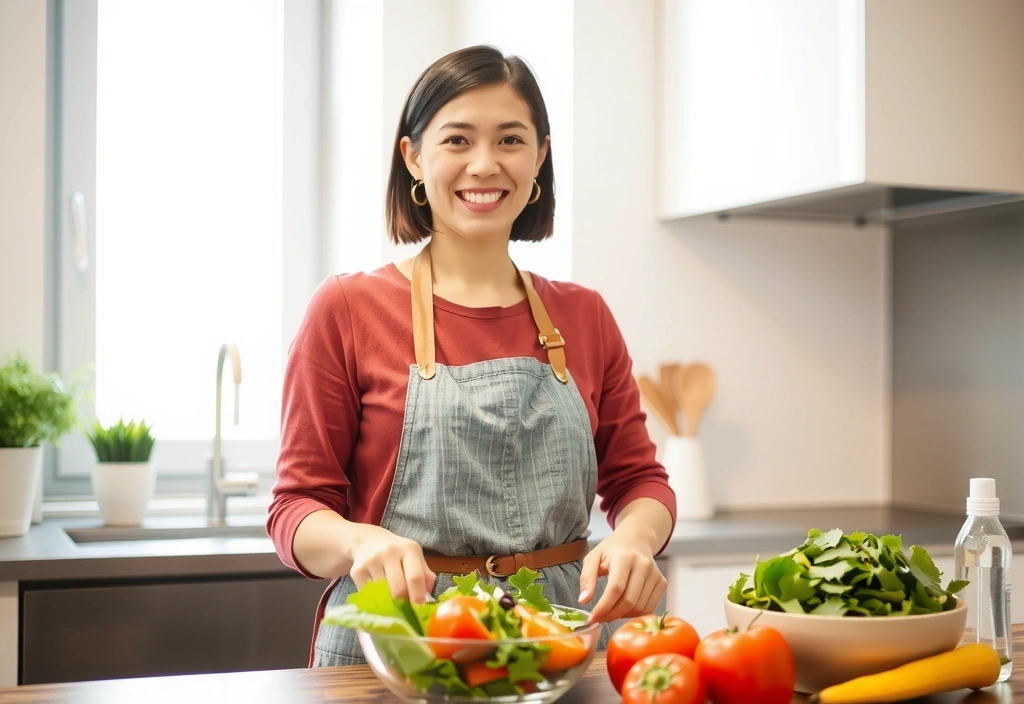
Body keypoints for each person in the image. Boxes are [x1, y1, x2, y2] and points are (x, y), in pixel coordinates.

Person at [267, 45, 677, 667]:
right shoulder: (347, 309)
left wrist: (636, 540)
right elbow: (295, 508)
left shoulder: (585, 315)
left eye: (510, 140)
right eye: (457, 140)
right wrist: (358, 543)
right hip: (400, 646)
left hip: (563, 646)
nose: (484, 165)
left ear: (539, 155)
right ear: (413, 157)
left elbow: (639, 481)